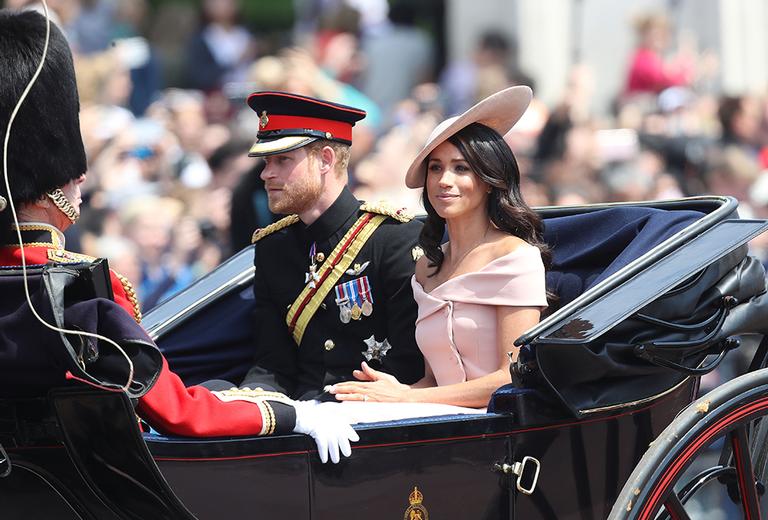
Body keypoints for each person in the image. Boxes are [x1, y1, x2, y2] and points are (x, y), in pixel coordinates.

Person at [0, 9, 354, 463]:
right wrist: (292, 417)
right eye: (72, 176)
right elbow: (179, 414)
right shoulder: (78, 293)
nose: (81, 178)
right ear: (53, 187)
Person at [330, 86, 549, 408]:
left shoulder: (514, 257)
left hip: (499, 429)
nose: (444, 180)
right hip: (438, 424)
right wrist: (380, 395)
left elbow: (511, 377)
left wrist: (404, 397)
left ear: (489, 180)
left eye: (461, 168)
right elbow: (434, 381)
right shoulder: (427, 267)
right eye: (436, 168)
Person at [242, 91, 425, 399]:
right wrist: (249, 404)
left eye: (282, 160)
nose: (266, 173)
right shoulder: (274, 246)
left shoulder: (394, 238)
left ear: (325, 159)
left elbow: (408, 365)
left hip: (375, 420)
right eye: (266, 161)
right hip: (302, 422)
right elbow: (273, 365)